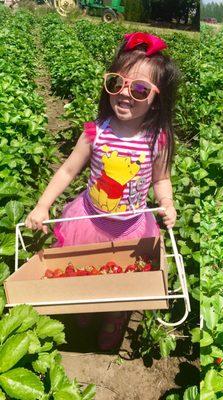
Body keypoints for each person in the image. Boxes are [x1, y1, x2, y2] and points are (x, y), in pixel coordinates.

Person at [25, 32, 179, 350]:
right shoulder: (96, 131)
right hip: (89, 219)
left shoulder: (156, 140)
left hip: (131, 227)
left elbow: (161, 179)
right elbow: (68, 169)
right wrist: (43, 205)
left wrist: (166, 202)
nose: (125, 94)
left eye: (138, 89)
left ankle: (114, 318)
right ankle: (84, 309)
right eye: (116, 83)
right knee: (83, 272)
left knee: (124, 281)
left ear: (157, 98)